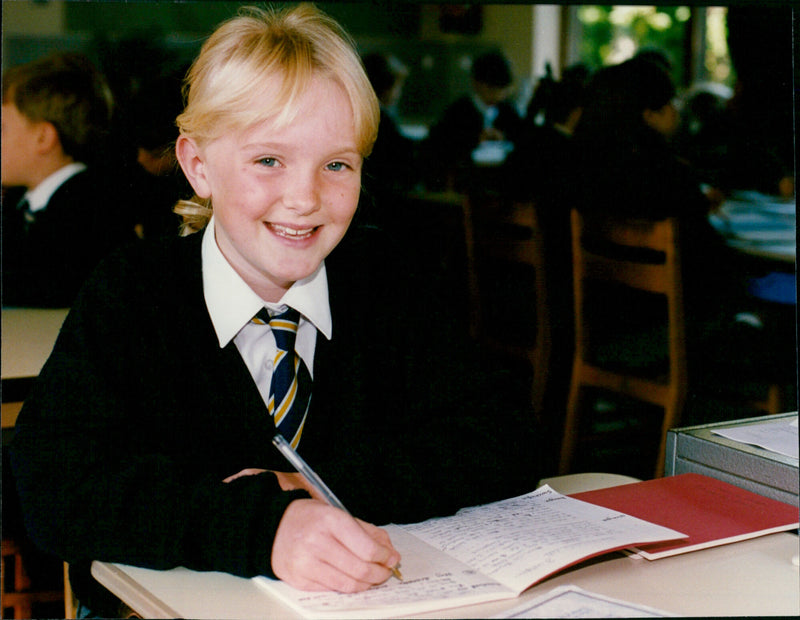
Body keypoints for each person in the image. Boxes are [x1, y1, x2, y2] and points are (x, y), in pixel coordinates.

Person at [9, 4, 543, 615]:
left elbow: (506, 438)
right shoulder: (132, 293)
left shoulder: (390, 281)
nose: (305, 198)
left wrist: (316, 483)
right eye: (269, 160)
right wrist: (264, 527)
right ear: (198, 166)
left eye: (336, 165)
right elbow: (55, 486)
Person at [1, 52, 136, 308]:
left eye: (2, 129)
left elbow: (46, 289)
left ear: (43, 138)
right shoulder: (17, 205)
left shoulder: (93, 210)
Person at [424, 50, 524, 191]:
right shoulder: (458, 111)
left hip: (501, 180)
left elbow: (521, 138)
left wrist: (503, 137)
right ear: (476, 84)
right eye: (491, 89)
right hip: (467, 181)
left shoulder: (508, 110)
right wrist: (475, 139)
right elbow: (442, 146)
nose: (497, 95)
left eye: (501, 90)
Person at [359, 52, 419, 226]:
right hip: (381, 201)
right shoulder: (380, 119)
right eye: (398, 86)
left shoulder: (366, 113)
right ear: (387, 88)